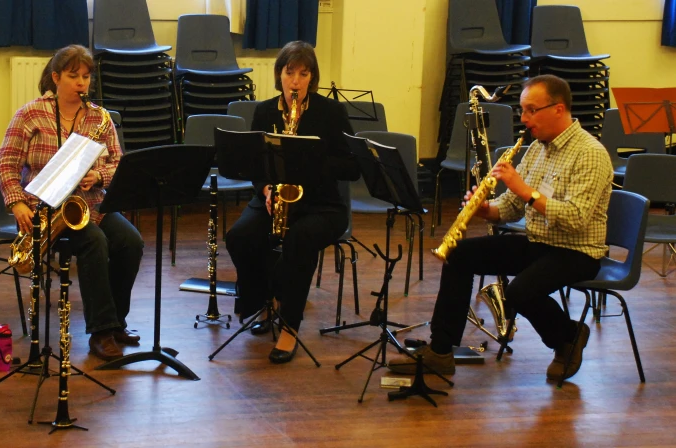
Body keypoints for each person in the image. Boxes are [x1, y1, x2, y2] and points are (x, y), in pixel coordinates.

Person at [388, 75, 613, 381]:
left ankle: (568, 336)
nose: (524, 118)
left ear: (559, 109)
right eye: (523, 110)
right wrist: (485, 210)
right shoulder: (537, 149)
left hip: (576, 252)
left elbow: (575, 218)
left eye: (532, 110)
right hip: (538, 242)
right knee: (461, 254)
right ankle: (441, 351)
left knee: (519, 290)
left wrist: (524, 190)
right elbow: (510, 207)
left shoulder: (590, 153)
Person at [0, 45, 144, 362]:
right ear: (55, 77)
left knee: (132, 242)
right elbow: (6, 164)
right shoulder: (30, 114)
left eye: (86, 77)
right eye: (73, 76)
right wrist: (17, 204)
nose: (81, 83)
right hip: (48, 209)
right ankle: (100, 332)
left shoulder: (100, 118)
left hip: (91, 203)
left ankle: (117, 322)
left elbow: (118, 162)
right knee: (95, 243)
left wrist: (100, 176)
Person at [225, 41, 358, 364]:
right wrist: (267, 189)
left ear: (312, 78)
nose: (295, 81)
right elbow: (256, 167)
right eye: (289, 73)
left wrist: (313, 160)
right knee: (239, 237)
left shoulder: (331, 113)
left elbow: (352, 167)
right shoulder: (266, 111)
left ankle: (289, 324)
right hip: (277, 199)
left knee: (300, 239)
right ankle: (264, 300)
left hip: (323, 204)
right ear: (279, 75)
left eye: (303, 73)